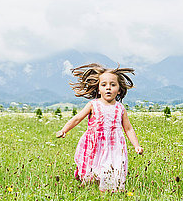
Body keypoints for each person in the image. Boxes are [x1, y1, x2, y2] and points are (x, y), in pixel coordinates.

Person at [56, 63, 143, 192]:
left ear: (119, 89)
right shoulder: (93, 105)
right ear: (98, 89)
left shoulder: (120, 108)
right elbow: (77, 118)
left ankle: (108, 192)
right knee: (93, 168)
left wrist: (136, 145)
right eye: (104, 85)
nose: (108, 88)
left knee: (112, 168)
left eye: (113, 85)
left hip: (114, 145)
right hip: (95, 144)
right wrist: (64, 130)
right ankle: (88, 186)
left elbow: (128, 128)